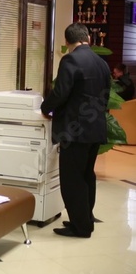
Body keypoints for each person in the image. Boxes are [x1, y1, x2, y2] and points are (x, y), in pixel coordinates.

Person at [41, 23, 111, 238]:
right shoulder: (101, 63)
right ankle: (86, 218)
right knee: (87, 175)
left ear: (67, 41)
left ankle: (80, 227)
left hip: (75, 132)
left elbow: (61, 92)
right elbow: (105, 96)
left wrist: (46, 108)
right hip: (95, 128)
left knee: (72, 179)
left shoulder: (71, 59)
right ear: (88, 38)